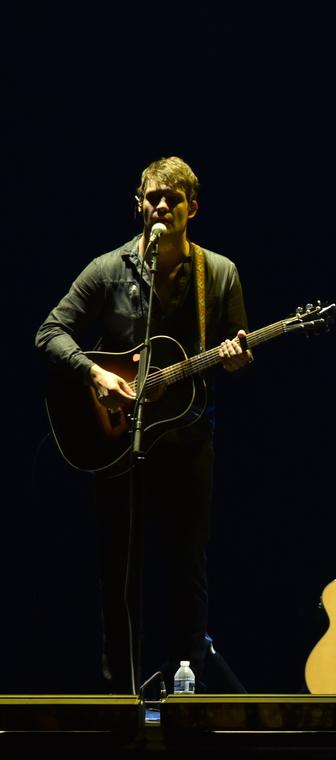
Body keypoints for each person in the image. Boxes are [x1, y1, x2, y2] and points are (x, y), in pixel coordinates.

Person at [35, 156, 252, 694]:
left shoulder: (219, 273)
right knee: (118, 569)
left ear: (191, 208)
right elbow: (50, 332)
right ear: (138, 205)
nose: (160, 206)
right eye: (152, 197)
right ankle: (119, 695)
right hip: (117, 441)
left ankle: (187, 690)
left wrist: (236, 356)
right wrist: (96, 375)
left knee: (187, 568)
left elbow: (237, 348)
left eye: (172, 199)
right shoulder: (107, 269)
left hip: (189, 437)